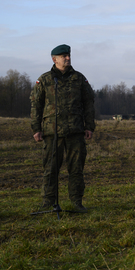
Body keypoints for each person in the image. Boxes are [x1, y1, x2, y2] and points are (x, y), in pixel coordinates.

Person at [30, 44, 95, 212]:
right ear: (54, 59)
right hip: (52, 132)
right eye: (63, 56)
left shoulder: (79, 79)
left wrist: (89, 126)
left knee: (76, 169)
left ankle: (77, 203)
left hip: (75, 131)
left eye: (68, 55)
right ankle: (48, 203)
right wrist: (36, 128)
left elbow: (88, 103)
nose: (67, 58)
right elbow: (36, 105)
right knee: (50, 169)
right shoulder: (45, 80)